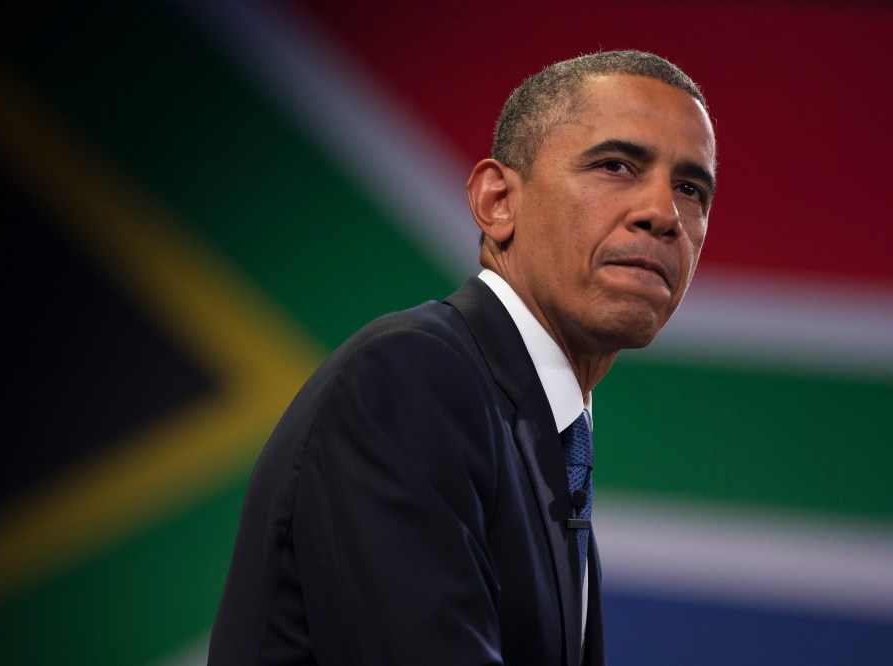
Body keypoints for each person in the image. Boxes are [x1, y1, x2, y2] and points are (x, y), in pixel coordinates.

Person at [208, 50, 716, 665]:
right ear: (496, 200)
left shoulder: (543, 439)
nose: (663, 214)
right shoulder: (411, 379)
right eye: (615, 166)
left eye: (690, 189)